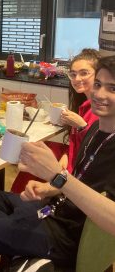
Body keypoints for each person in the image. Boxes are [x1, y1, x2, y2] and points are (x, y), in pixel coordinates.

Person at [0, 55, 115, 271]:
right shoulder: (96, 130)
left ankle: (18, 247)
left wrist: (57, 177)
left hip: (67, 234)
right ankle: (17, 247)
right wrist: (48, 189)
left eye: (112, 88)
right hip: (53, 209)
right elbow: (80, 180)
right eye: (98, 84)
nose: (99, 93)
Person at [11, 48, 100, 193]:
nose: (77, 79)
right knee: (36, 148)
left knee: (35, 153)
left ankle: (26, 196)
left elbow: (97, 150)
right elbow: (76, 142)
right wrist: (66, 153)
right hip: (74, 152)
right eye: (73, 74)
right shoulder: (84, 103)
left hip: (83, 165)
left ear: (99, 75)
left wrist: (81, 126)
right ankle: (19, 194)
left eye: (84, 73)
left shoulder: (100, 107)